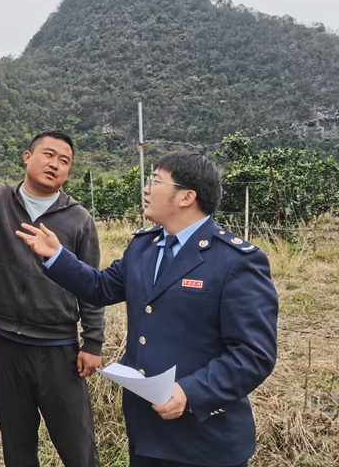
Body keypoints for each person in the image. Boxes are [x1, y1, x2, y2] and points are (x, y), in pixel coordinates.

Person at [16, 151, 278, 467]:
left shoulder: (236, 261)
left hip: (204, 439)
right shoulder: (144, 246)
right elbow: (101, 288)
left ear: (186, 197)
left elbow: (254, 354)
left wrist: (190, 392)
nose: (146, 188)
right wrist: (58, 256)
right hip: (147, 429)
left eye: (155, 180)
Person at [0, 129, 104, 467]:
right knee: (17, 446)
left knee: (78, 447)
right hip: (5, 346)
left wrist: (93, 342)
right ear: (27, 157)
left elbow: (91, 286)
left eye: (65, 161)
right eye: (48, 154)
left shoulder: (79, 219)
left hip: (58, 350)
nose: (55, 164)